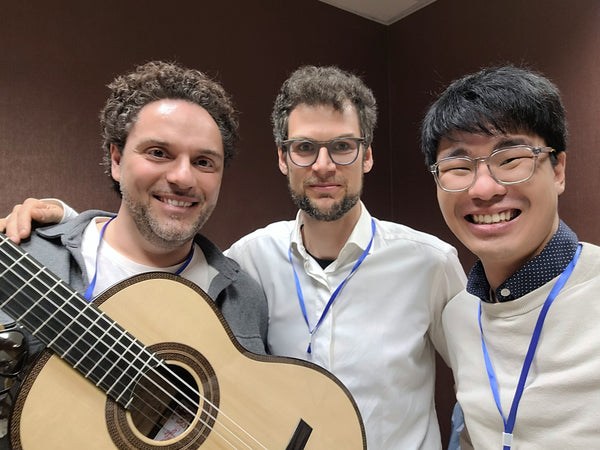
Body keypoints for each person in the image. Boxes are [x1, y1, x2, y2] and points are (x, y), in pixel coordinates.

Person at [3, 66, 467, 449]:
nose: (323, 165)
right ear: (283, 159)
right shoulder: (249, 263)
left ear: (366, 156)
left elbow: (485, 385)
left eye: (343, 146)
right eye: (304, 148)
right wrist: (62, 223)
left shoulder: (429, 262)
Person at [0, 60, 268, 447]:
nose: (183, 177)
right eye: (159, 152)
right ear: (115, 159)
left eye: (204, 161)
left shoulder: (244, 295)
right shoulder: (28, 259)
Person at [421, 65, 600, 449]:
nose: (484, 188)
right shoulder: (459, 316)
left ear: (558, 170)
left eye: (511, 159)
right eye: (457, 167)